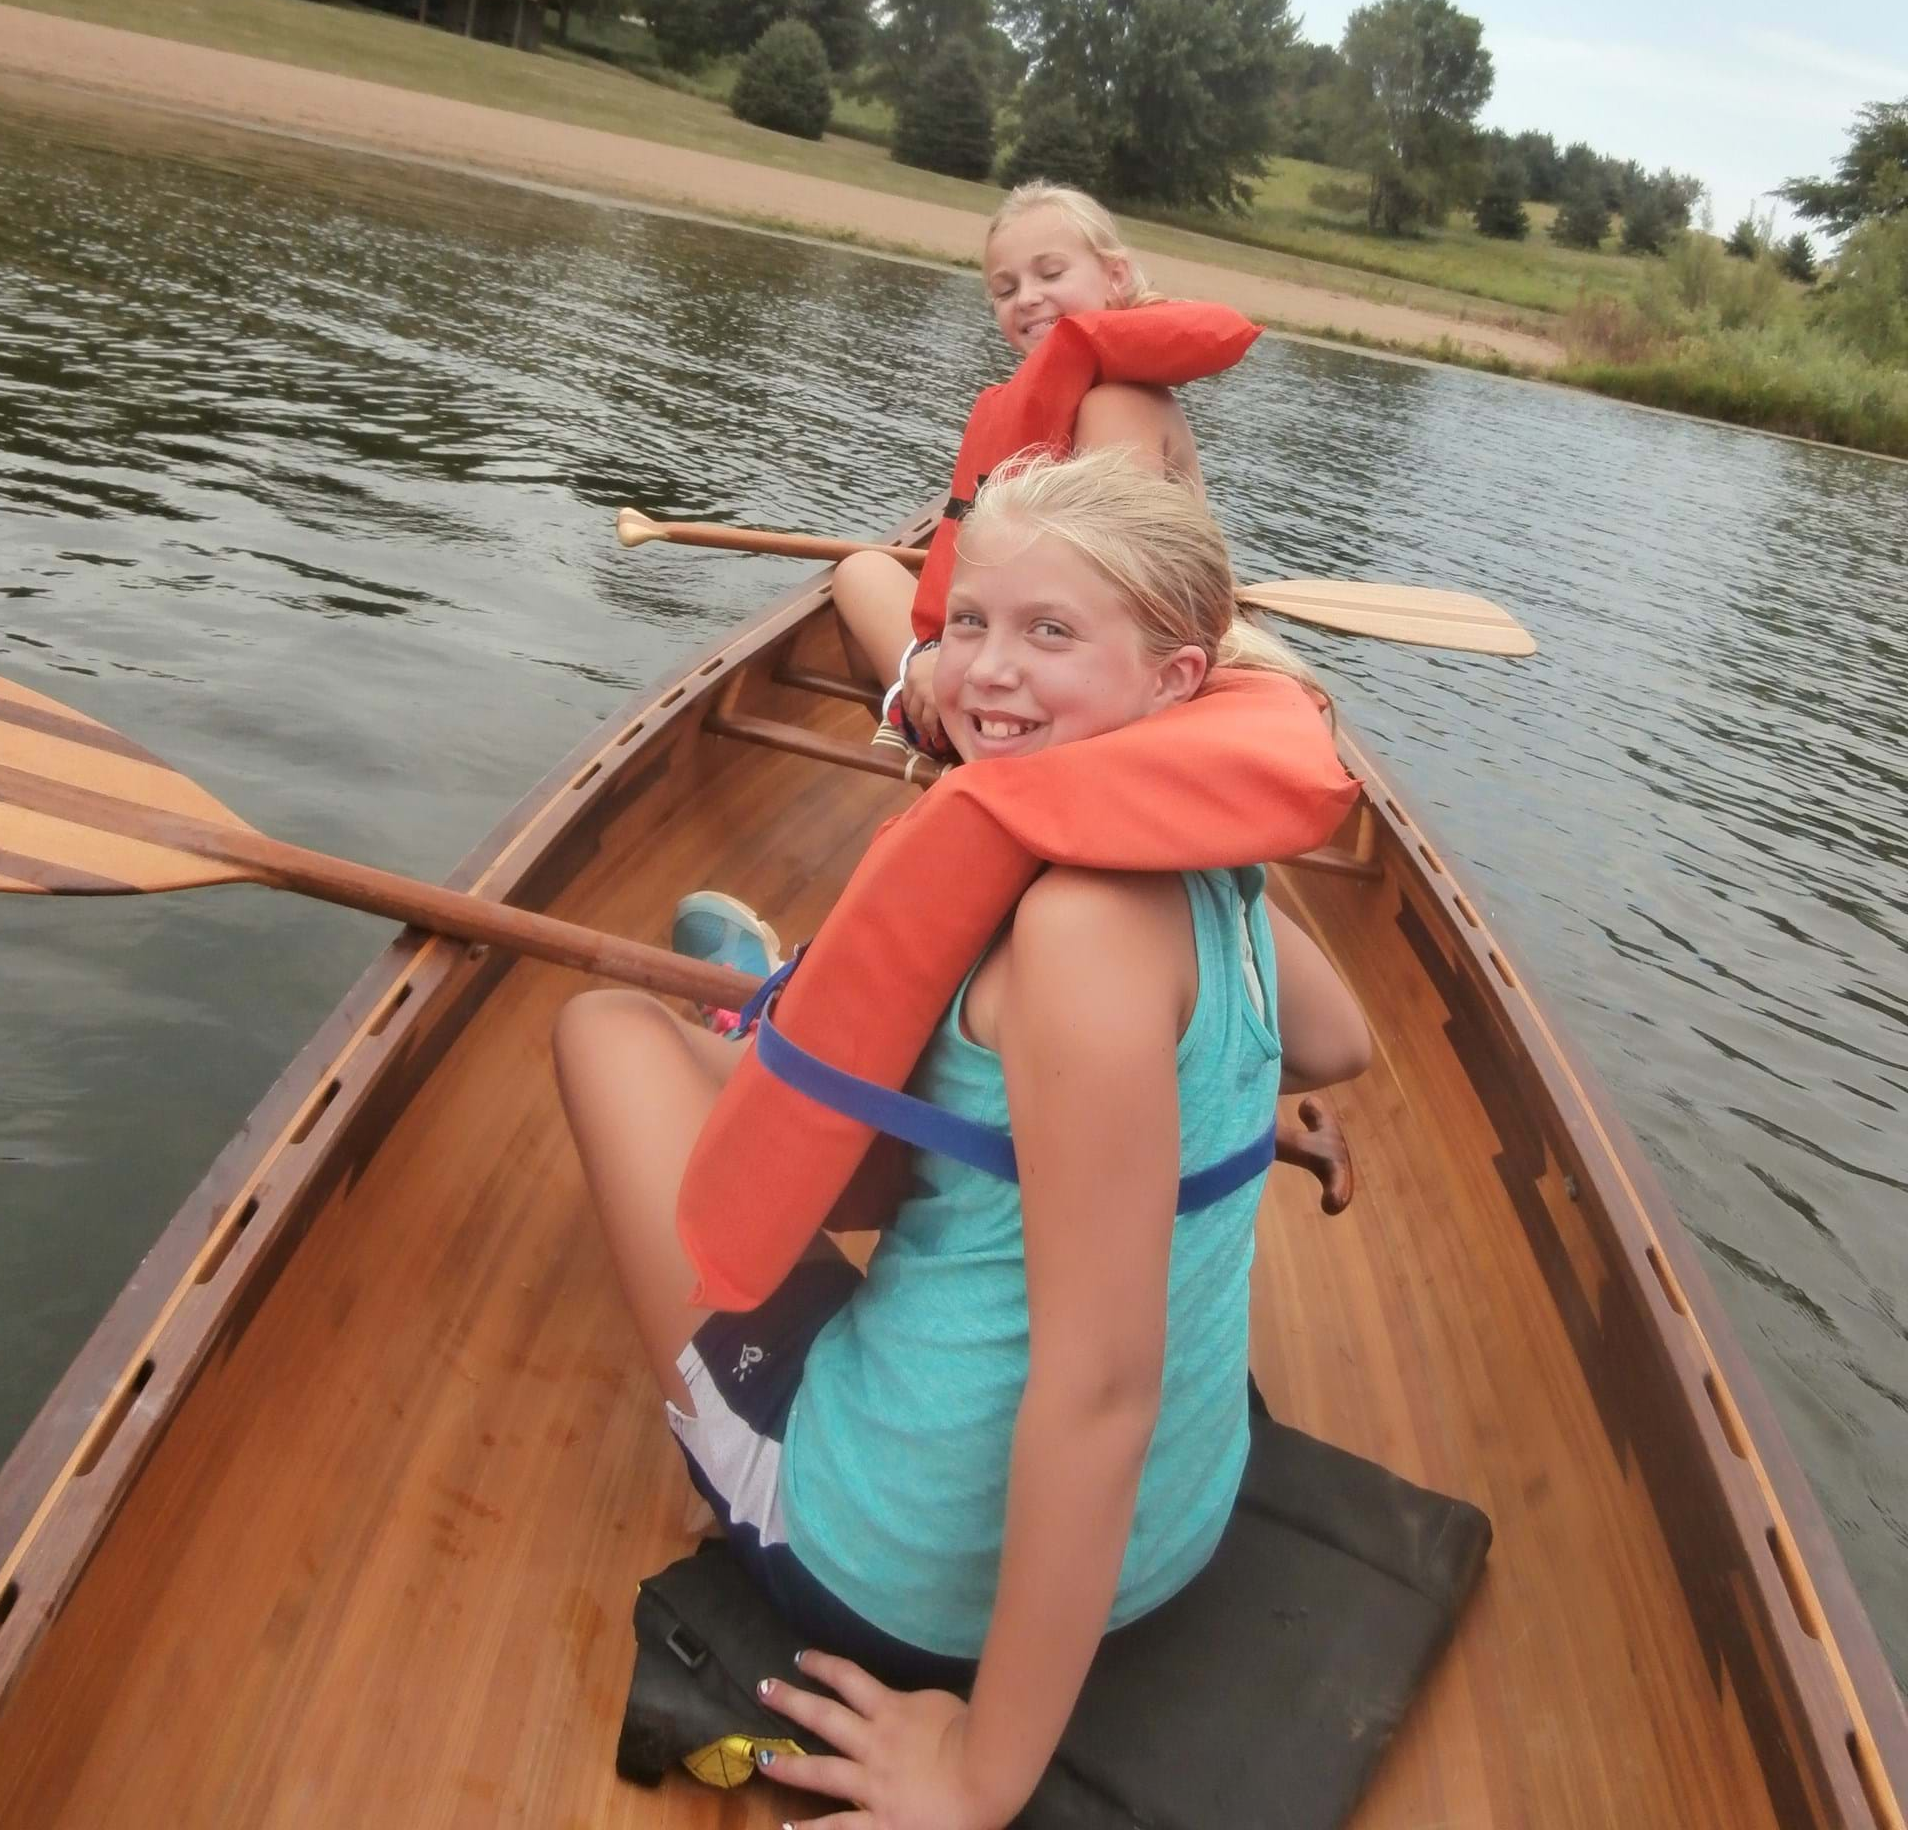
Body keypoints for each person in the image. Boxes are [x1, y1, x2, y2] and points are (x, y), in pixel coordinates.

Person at [555, 451, 1372, 1830]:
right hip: (1180, 1529)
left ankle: (763, 1000)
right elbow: (1341, 1041)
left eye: (1051, 634)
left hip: (903, 1571)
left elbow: (1100, 1401)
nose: (986, 673)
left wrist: (981, 1778)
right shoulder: (1212, 854)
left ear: (1177, 682)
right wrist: (1228, 1104)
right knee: (778, 1077)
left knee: (603, 1033)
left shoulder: (1075, 936)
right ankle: (770, 998)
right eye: (971, 624)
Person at [834, 181, 1235, 756]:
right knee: (861, 569)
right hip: (1013, 648)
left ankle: (926, 705)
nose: (1026, 297)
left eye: (1050, 274)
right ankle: (921, 681)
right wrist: (937, 647)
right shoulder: (1026, 403)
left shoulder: (1117, 403)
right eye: (1005, 288)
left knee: (869, 579)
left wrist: (958, 653)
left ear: (1115, 277)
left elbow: (1107, 590)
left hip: (1085, 683)